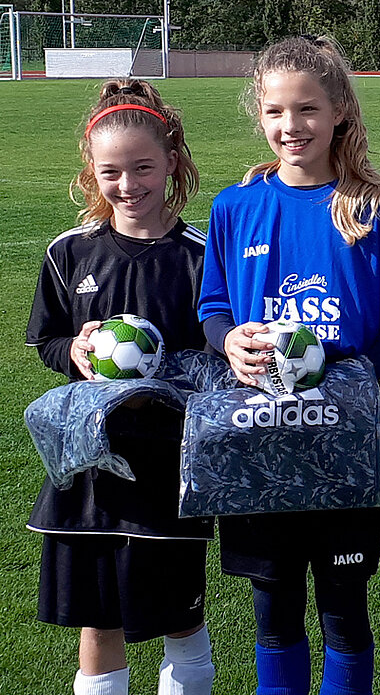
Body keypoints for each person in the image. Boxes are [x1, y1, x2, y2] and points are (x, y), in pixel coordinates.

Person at [197, 35, 380, 695]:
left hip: (342, 442)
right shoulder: (234, 208)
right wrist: (229, 342)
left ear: (338, 113)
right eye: (274, 111)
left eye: (306, 110)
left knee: (344, 610)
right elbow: (214, 307)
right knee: (273, 612)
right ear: (259, 115)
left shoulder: (373, 213)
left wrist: (337, 375)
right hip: (259, 436)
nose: (290, 126)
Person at [25, 79, 215, 695]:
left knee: (180, 614)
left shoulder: (200, 256)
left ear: (172, 164)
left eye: (143, 168)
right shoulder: (68, 253)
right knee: (97, 614)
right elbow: (48, 340)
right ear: (91, 174)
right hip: (88, 471)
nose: (128, 185)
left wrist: (165, 373)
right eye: (111, 172)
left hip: (168, 462)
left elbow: (214, 352)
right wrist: (76, 351)